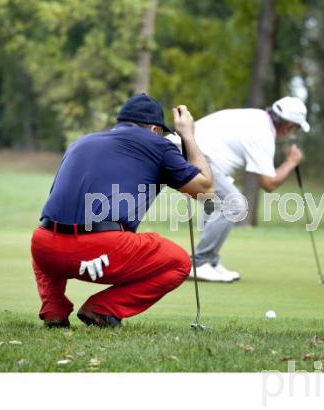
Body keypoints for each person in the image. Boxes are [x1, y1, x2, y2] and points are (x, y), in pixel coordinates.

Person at [31, 94, 213, 328]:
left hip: (46, 248)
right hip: (102, 249)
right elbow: (206, 190)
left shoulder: (81, 141)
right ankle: (102, 309)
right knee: (179, 262)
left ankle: (54, 310)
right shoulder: (158, 144)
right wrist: (188, 135)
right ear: (155, 129)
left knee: (46, 238)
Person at [190, 96, 309, 282]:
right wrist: (291, 162)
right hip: (192, 153)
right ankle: (199, 263)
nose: (293, 133)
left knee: (215, 204)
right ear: (288, 126)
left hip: (190, 151)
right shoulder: (263, 134)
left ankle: (209, 261)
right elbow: (268, 184)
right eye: (296, 129)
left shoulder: (258, 118)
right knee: (234, 204)